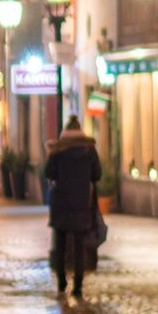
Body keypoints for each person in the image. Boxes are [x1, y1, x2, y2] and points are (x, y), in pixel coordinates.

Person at [43, 116, 104, 301]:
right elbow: (97, 173)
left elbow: (48, 172)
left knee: (60, 245)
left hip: (61, 202)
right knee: (79, 246)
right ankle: (78, 286)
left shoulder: (58, 149)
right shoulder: (88, 149)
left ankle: (61, 282)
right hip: (81, 202)